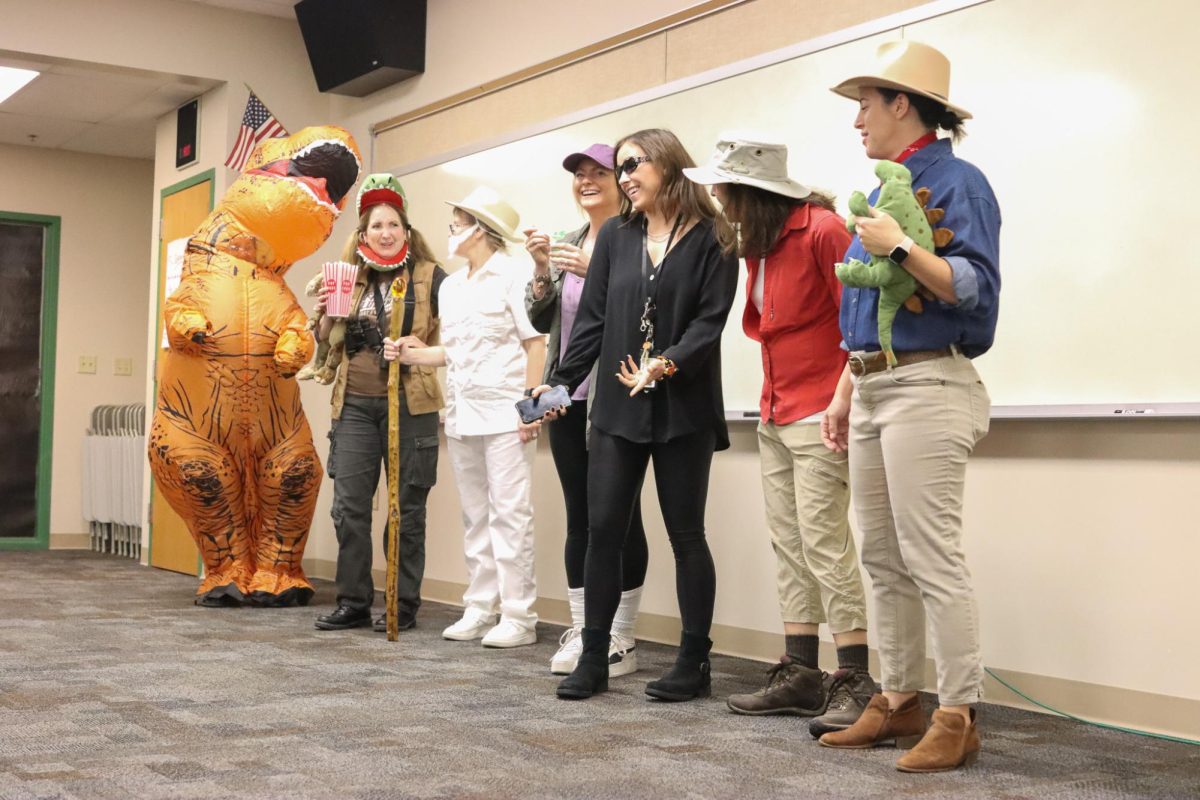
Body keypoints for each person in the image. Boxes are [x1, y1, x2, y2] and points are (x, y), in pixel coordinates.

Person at [816, 41, 1000, 773]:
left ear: (902, 103)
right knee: (883, 559)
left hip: (929, 385)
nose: (857, 118)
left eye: (866, 102)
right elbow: (864, 312)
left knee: (930, 556)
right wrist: (843, 389)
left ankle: (958, 713)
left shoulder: (959, 181)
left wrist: (896, 248)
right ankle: (898, 701)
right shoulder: (884, 187)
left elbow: (973, 288)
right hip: (875, 383)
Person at [534, 128, 738, 701]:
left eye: (634, 165)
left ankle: (694, 661)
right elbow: (592, 324)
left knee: (686, 535)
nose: (623, 177)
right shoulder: (618, 239)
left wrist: (664, 365)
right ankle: (595, 655)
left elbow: (709, 322)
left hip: (683, 407)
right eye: (620, 167)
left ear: (670, 164)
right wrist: (557, 389)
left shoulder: (715, 237)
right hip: (618, 410)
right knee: (604, 531)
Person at [683, 137, 877, 734]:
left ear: (751, 192)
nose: (715, 197)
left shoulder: (822, 231)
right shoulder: (759, 245)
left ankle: (855, 680)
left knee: (825, 544)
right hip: (775, 411)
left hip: (823, 411)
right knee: (789, 543)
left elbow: (861, 325)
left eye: (723, 187)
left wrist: (843, 402)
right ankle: (800, 672)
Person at [385, 186, 547, 649]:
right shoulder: (453, 287)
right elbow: (454, 354)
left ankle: (519, 615)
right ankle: (480, 606)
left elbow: (535, 343)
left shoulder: (514, 277)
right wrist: (416, 353)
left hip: (506, 415)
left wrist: (531, 409)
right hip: (461, 413)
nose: (452, 230)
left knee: (510, 515)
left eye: (458, 222)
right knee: (476, 515)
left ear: (481, 229)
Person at [523, 143, 649, 678]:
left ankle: (621, 633)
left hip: (620, 392)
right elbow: (540, 317)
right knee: (580, 511)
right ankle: (583, 627)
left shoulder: (638, 236)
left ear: (623, 180)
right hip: (568, 395)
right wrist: (539, 269)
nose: (588, 180)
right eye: (580, 174)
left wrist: (595, 269)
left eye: (600, 171)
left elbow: (647, 300)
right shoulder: (568, 239)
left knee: (621, 517)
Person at [313, 174, 446, 633]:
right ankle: (352, 601)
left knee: (407, 510)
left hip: (412, 407)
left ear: (406, 231)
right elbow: (322, 337)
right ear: (362, 234)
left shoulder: (432, 277)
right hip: (353, 406)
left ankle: (401, 602)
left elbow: (460, 335)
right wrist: (331, 306)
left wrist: (420, 345)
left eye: (392, 224)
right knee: (348, 507)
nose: (385, 233)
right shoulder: (348, 276)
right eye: (375, 226)